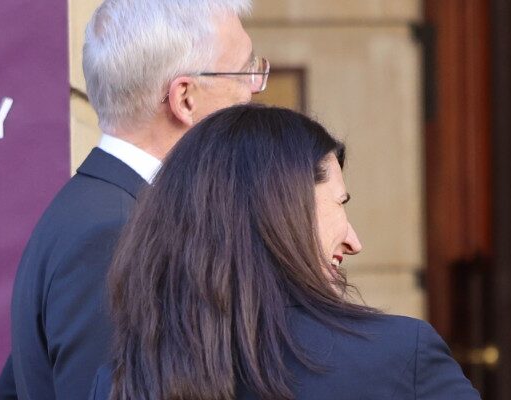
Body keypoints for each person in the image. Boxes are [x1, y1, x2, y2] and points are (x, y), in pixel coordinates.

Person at [88, 104, 479, 399]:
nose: (354, 241)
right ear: (284, 210)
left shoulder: (122, 379)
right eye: (340, 203)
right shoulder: (399, 356)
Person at [0, 0, 264, 398]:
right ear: (184, 98)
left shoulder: (106, 210)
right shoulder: (112, 232)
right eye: (244, 72)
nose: (255, 89)